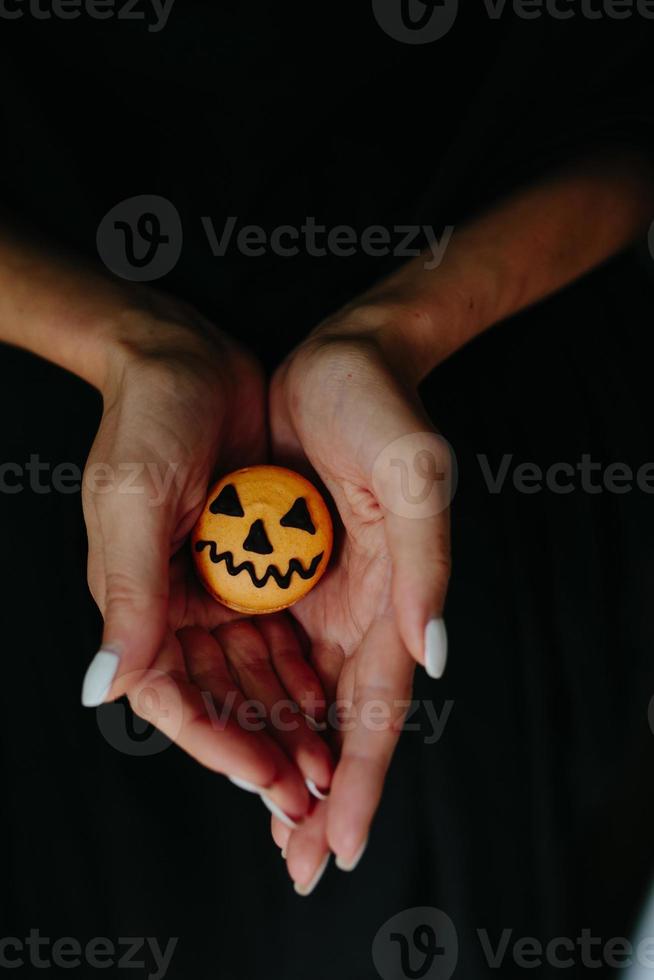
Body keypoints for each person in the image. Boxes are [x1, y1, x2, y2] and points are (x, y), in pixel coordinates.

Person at [1, 9, 654, 978]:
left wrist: (395, 334)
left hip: (474, 455)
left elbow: (628, 131)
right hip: (70, 483)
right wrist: (121, 342)